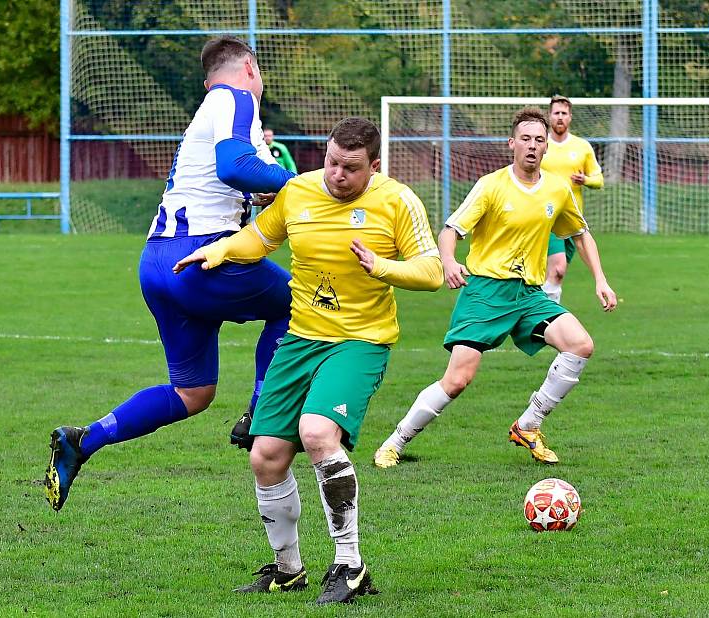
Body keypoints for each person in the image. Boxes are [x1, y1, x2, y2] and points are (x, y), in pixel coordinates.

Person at [173, 117, 443, 605]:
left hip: (360, 342)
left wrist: (381, 266)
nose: (337, 174)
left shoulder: (398, 201)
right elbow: (260, 237)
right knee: (266, 456)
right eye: (332, 162)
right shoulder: (298, 191)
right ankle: (288, 569)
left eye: (351, 168)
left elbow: (432, 271)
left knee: (318, 432)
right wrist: (219, 250)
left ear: (374, 166)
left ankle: (350, 565)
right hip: (300, 340)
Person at [43, 36, 296, 512]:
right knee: (296, 300)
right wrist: (300, 186)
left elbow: (226, 179)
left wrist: (259, 195)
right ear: (250, 68)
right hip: (199, 259)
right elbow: (236, 167)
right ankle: (263, 406)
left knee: (192, 391)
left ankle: (83, 441)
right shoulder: (236, 97)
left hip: (156, 262)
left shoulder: (208, 108)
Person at [373, 107, 617, 470]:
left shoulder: (557, 188)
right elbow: (450, 231)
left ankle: (529, 424)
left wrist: (601, 279)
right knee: (457, 380)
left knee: (581, 344)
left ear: (546, 146)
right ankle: (395, 442)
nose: (532, 146)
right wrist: (451, 262)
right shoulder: (491, 185)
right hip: (485, 292)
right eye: (525, 139)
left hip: (528, 295)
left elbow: (581, 235)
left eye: (539, 139)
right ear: (511, 144)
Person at [540, 95, 604, 303]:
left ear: (570, 117)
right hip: (545, 217)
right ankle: (546, 318)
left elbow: (599, 179)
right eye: (556, 113)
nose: (560, 117)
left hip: (571, 220)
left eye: (564, 113)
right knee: (558, 268)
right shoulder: (540, 144)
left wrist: (585, 179)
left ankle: (539, 313)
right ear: (549, 116)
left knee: (554, 274)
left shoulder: (582, 146)